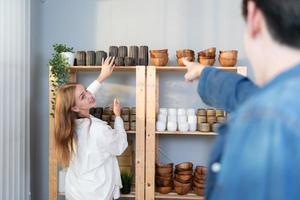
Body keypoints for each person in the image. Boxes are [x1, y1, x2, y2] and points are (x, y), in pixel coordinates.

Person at [183, 0, 300, 199]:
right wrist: (205, 74)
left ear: (254, 16)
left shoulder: (267, 120)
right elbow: (252, 97)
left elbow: (265, 107)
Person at [54, 57, 128, 200]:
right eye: (84, 96)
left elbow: (82, 95)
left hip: (75, 191)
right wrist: (118, 117)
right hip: (96, 193)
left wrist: (102, 77)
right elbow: (119, 146)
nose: (89, 95)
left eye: (86, 90)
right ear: (75, 107)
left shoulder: (67, 126)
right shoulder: (99, 130)